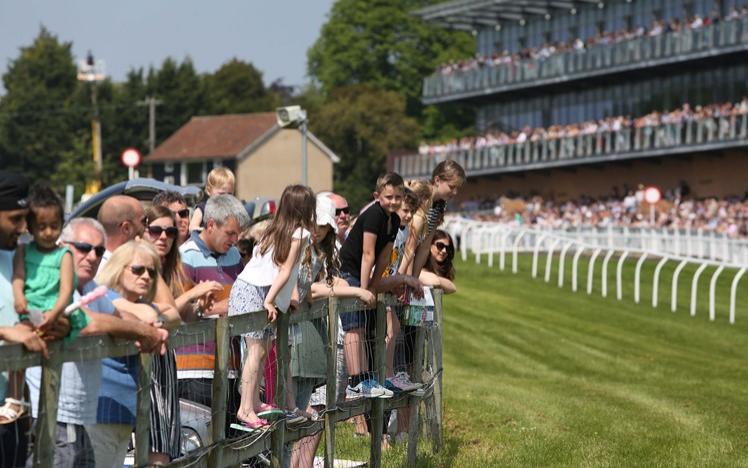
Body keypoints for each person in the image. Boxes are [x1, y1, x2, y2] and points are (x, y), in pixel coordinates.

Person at [25, 218, 168, 468]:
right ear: (62, 246)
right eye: (83, 247)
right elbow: (87, 323)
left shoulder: (88, 287)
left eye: (99, 251)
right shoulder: (50, 279)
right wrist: (142, 332)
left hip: (79, 418)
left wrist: (146, 330)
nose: (92, 256)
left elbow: (117, 317)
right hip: (51, 415)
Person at [286, 193, 376, 468]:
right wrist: (355, 290)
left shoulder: (320, 251)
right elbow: (307, 289)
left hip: (313, 340)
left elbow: (328, 280)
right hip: (295, 340)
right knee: (298, 409)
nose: (317, 232)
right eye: (316, 225)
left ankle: (302, 463)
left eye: (323, 227)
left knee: (312, 409)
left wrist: (350, 289)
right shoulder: (296, 245)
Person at [229, 184, 315, 430]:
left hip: (251, 288)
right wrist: (270, 300)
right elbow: (287, 270)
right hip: (257, 291)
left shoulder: (273, 230)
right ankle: (245, 408)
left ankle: (255, 402)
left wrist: (288, 297)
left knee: (262, 350)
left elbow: (284, 270)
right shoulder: (300, 234)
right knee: (255, 352)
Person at [97, 240, 180, 465]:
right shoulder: (102, 297)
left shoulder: (138, 303)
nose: (146, 276)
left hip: (124, 411)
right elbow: (150, 316)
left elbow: (173, 315)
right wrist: (150, 316)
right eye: (137, 269)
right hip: (100, 410)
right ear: (118, 268)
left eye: (152, 272)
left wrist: (153, 315)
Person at [4, 186, 76, 426]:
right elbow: (19, 278)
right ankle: (15, 398)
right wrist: (20, 299)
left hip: (50, 314)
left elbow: (66, 291)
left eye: (54, 226)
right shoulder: (23, 251)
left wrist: (55, 315)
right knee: (20, 342)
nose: (47, 232)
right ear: (32, 227)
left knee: (48, 354)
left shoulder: (63, 254)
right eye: (41, 226)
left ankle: (39, 403)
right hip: (29, 314)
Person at [177, 194, 249, 430]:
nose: (235, 239)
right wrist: (224, 307)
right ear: (210, 225)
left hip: (228, 368)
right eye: (230, 233)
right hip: (193, 370)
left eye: (237, 234)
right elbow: (179, 310)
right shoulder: (186, 256)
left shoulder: (235, 256)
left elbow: (243, 297)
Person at [338, 172, 410, 398]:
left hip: (365, 275)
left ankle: (366, 377)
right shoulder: (373, 216)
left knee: (366, 326)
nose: (394, 201)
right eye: (389, 197)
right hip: (349, 270)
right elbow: (367, 254)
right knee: (354, 325)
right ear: (377, 196)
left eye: (398, 197)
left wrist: (376, 283)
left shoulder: (394, 220)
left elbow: (384, 257)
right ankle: (355, 381)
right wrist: (363, 289)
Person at [143, 206, 222, 320]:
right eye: (156, 231)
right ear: (144, 232)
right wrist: (192, 293)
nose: (164, 237)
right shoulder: (139, 269)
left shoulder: (174, 268)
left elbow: (182, 316)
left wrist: (200, 307)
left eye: (170, 232)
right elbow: (162, 317)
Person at [405, 160, 465, 279]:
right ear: (437, 180)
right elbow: (408, 244)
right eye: (452, 187)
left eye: (457, 188)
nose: (455, 192)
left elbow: (425, 247)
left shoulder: (440, 205)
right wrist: (407, 279)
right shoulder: (420, 197)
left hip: (408, 261)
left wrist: (414, 279)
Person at [96, 195, 145, 268]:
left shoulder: (93, 265)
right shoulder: (111, 270)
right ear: (126, 228)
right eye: (143, 221)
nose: (147, 226)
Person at [189, 167, 235, 232]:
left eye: (229, 194)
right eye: (221, 194)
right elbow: (192, 228)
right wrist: (207, 231)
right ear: (208, 191)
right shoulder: (203, 209)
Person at [419, 230, 457, 294]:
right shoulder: (419, 263)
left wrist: (437, 279)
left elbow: (452, 288)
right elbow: (434, 281)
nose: (444, 251)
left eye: (447, 248)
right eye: (440, 246)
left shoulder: (441, 268)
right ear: (430, 244)